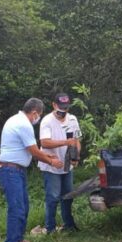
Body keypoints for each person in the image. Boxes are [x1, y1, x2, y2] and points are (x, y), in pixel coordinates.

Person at [0, 98, 63, 242]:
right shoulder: (23, 124)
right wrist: (51, 162)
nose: (37, 118)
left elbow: (28, 149)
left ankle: (17, 239)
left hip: (14, 170)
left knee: (23, 206)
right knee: (17, 208)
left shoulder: (16, 120)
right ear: (34, 112)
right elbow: (33, 151)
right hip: (10, 171)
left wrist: (47, 157)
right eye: (38, 115)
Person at [37, 92, 82, 234]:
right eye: (61, 107)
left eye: (66, 107)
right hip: (51, 165)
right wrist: (65, 142)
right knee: (53, 197)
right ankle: (50, 228)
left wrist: (76, 156)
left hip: (67, 165)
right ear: (54, 105)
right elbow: (44, 142)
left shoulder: (73, 119)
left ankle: (69, 225)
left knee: (68, 196)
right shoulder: (47, 121)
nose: (64, 110)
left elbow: (76, 140)